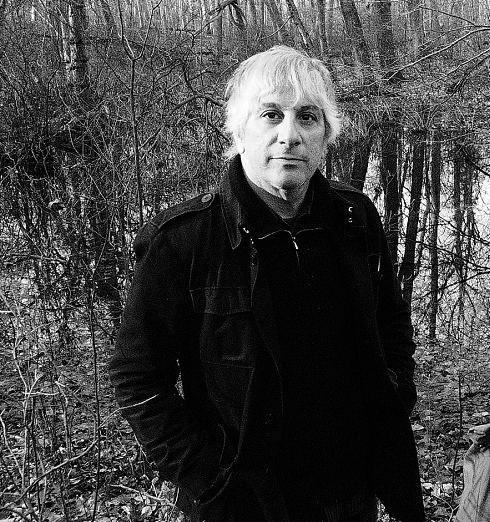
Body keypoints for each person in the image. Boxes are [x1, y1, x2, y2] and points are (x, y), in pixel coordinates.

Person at [109, 46, 425, 522]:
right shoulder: (186, 240)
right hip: (243, 502)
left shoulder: (355, 219)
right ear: (239, 129)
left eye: (308, 117)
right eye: (271, 115)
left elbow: (391, 326)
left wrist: (393, 397)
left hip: (349, 495)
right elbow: (137, 379)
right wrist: (209, 479)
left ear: (327, 135)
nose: (289, 136)